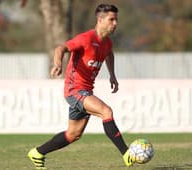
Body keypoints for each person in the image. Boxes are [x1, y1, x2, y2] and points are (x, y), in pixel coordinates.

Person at [28, 4, 134, 169]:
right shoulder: (86, 38)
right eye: (111, 19)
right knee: (106, 111)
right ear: (100, 20)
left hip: (85, 91)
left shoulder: (107, 43)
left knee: (73, 134)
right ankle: (126, 154)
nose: (115, 23)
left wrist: (112, 75)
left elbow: (109, 54)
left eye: (116, 19)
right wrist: (58, 64)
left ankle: (37, 153)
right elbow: (61, 48)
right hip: (74, 90)